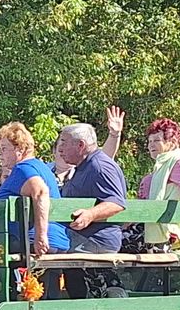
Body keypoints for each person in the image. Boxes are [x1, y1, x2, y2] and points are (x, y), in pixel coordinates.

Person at [55, 122, 129, 298]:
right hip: (81, 239)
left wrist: (90, 214)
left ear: (80, 145)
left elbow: (116, 202)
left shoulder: (100, 166)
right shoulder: (83, 166)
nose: (60, 148)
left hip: (95, 241)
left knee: (89, 293)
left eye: (64, 142)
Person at [0, 122, 70, 256]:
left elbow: (40, 192)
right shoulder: (41, 167)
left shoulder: (23, 168)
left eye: (4, 148)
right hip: (56, 241)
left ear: (20, 149)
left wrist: (41, 235)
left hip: (31, 243)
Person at [137, 118, 180, 249]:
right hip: (155, 234)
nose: (151, 145)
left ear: (172, 142)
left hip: (170, 237)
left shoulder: (178, 161)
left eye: (156, 140)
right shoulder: (160, 166)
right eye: (149, 141)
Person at [53, 106, 125, 187]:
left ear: (80, 146)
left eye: (64, 144)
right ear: (54, 151)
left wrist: (114, 134)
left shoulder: (93, 170)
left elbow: (104, 158)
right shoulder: (43, 172)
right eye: (60, 145)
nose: (60, 150)